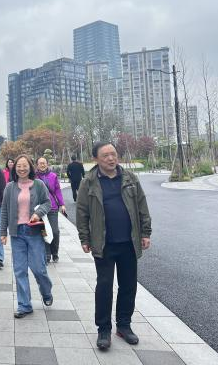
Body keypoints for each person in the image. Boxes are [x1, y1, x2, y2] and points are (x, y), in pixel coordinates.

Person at [76, 142, 152, 350]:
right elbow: (82, 212)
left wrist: (145, 233)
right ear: (96, 159)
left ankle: (124, 325)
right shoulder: (88, 182)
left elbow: (142, 206)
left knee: (128, 285)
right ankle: (103, 329)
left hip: (129, 242)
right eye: (105, 155)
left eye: (113, 154)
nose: (111, 158)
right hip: (103, 244)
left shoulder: (130, 178)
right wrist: (84, 238)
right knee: (104, 287)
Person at [0, 155, 53, 318]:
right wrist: (3, 232)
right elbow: (4, 210)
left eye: (25, 166)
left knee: (39, 269)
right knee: (19, 270)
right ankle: (24, 305)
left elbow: (48, 203)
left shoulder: (38, 185)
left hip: (34, 232)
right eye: (18, 166)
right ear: (14, 168)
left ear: (30, 167)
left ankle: (46, 291)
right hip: (17, 233)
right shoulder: (10, 187)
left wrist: (38, 213)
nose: (21, 169)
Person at [36, 156, 67, 263]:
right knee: (44, 232)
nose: (42, 165)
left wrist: (62, 204)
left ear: (47, 164)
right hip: (40, 209)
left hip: (52, 207)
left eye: (44, 163)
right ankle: (47, 254)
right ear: (37, 165)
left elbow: (57, 190)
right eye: (40, 163)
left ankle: (55, 252)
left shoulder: (53, 176)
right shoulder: (34, 177)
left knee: (55, 231)